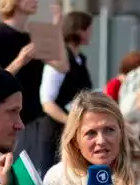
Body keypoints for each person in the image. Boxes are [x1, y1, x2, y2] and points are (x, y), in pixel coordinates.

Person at [29, 11, 94, 173]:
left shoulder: (80, 59)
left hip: (71, 130)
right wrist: (70, 121)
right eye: (88, 29)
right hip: (54, 132)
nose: (91, 33)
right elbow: (47, 102)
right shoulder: (59, 58)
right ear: (79, 30)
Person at [0, 0, 45, 140]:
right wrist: (20, 60)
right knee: (14, 165)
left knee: (30, 165)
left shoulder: (30, 37)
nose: (35, 0)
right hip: (10, 120)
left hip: (34, 118)